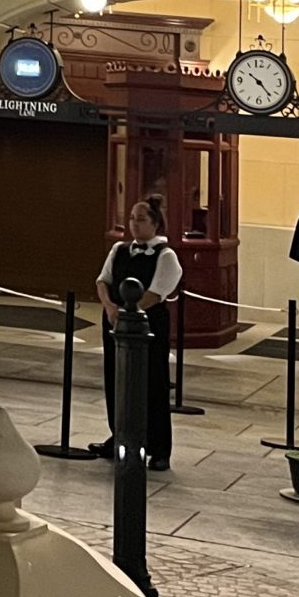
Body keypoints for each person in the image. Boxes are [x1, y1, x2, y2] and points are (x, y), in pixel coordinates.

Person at [83, 195, 181, 469]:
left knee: (152, 381)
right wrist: (111, 308)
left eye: (141, 219)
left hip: (147, 326)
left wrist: (129, 312)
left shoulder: (166, 256)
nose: (135, 225)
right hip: (115, 322)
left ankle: (159, 448)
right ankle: (120, 437)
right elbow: (103, 281)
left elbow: (156, 293)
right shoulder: (119, 249)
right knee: (116, 378)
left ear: (155, 223)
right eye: (132, 219)